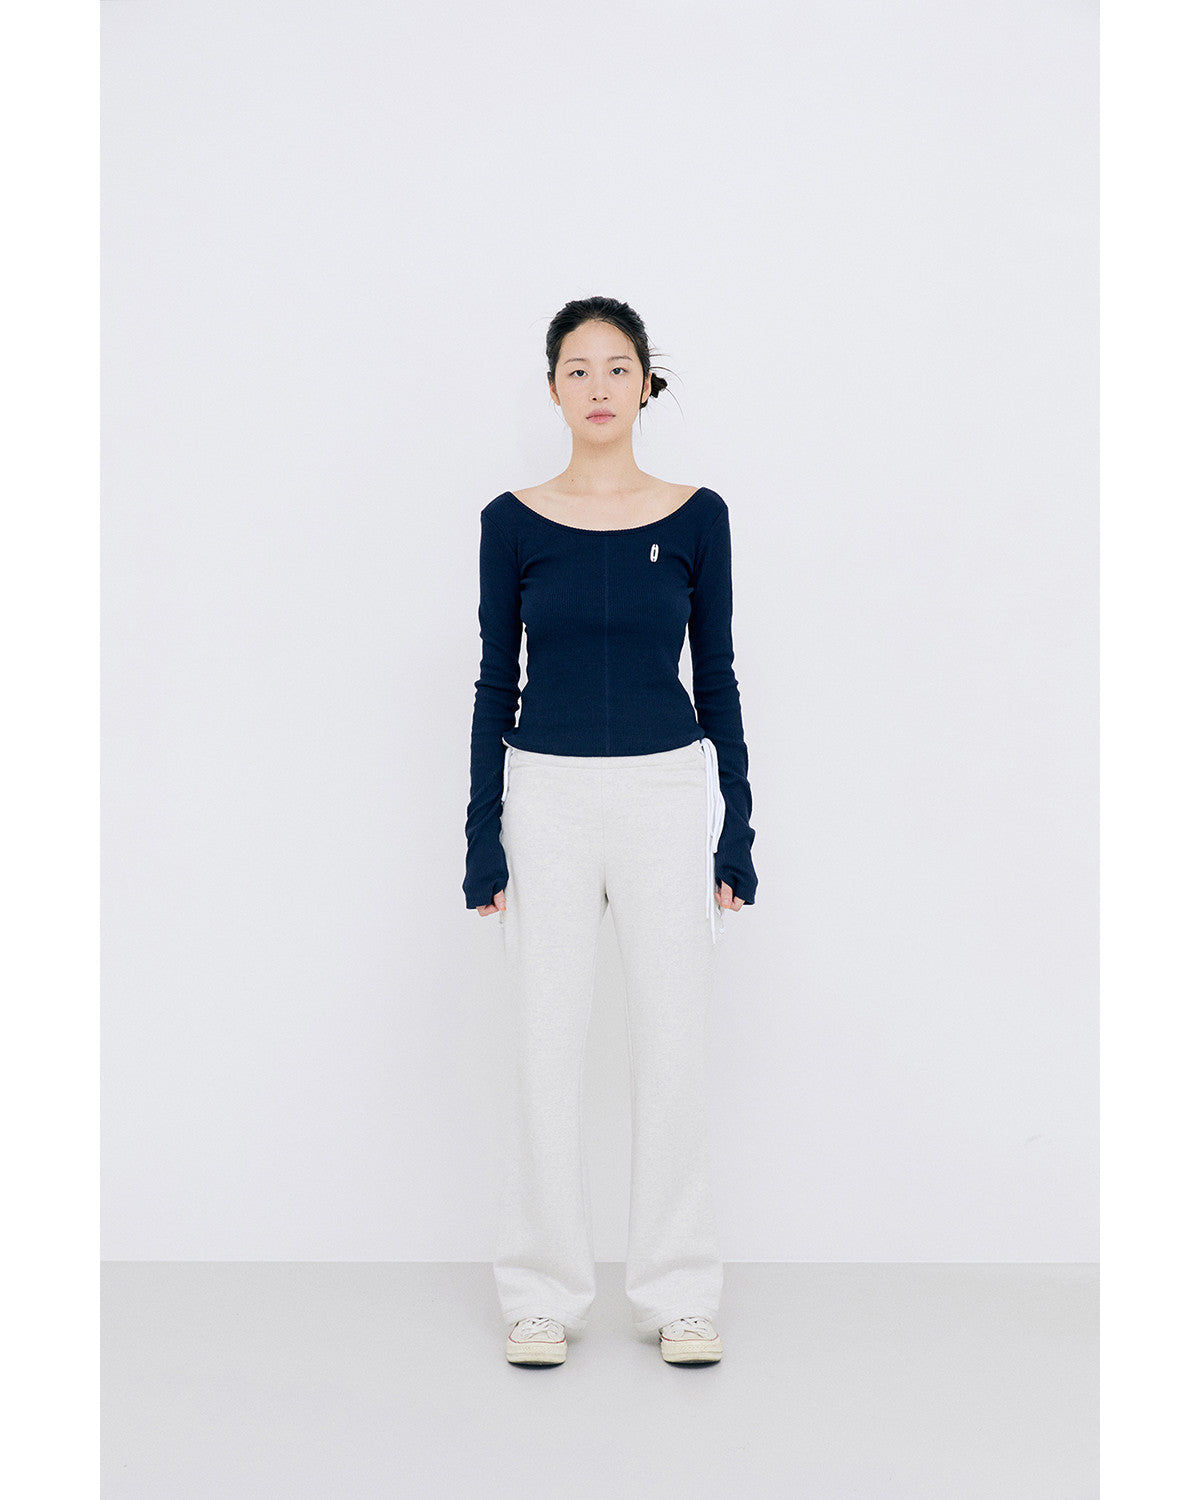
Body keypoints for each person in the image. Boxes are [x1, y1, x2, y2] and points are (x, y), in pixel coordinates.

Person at [462, 295, 757, 1368]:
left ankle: (679, 1293)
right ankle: (541, 1294)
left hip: (666, 795)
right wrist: (483, 834)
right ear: (552, 388)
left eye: (617, 367)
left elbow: (716, 675)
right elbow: (495, 681)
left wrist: (736, 827)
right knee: (545, 1048)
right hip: (544, 796)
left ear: (645, 384)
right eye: (577, 369)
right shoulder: (511, 521)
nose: (598, 386)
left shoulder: (697, 516)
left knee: (673, 1044)